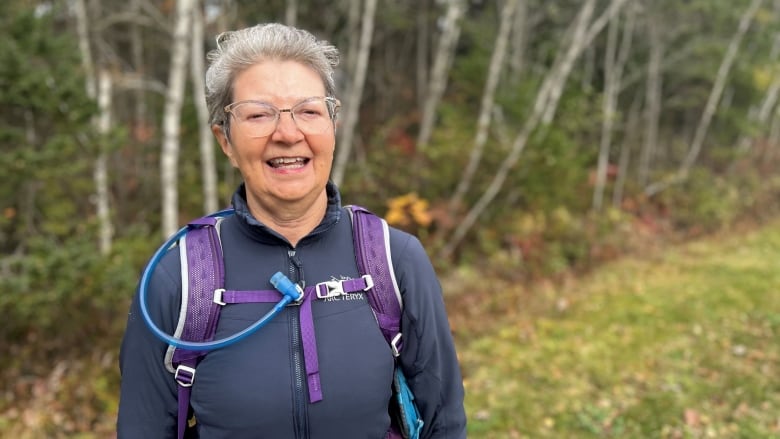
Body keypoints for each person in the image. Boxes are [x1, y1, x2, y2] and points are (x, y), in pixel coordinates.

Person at [117, 22, 467, 438]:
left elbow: (444, 424)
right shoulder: (178, 277)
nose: (287, 134)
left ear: (332, 125)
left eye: (308, 110)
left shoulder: (394, 259)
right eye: (259, 114)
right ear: (225, 140)